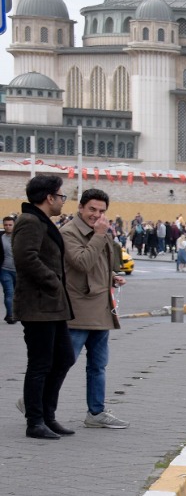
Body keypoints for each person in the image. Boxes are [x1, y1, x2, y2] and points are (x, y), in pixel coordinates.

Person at [12, 175, 77, 439]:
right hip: (38, 305)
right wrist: (52, 282)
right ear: (49, 197)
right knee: (40, 363)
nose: (63, 201)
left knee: (64, 357)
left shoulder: (41, 221)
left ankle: (48, 415)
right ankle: (35, 421)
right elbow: (25, 258)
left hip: (52, 305)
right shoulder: (29, 221)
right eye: (61, 196)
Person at [61, 188, 129, 430]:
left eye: (101, 211)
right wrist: (100, 234)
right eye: (92, 209)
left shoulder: (98, 232)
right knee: (63, 362)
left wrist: (111, 276)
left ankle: (96, 412)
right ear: (80, 208)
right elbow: (81, 263)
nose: (96, 215)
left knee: (98, 364)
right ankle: (34, 400)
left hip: (101, 308)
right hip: (79, 310)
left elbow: (98, 265)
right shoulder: (69, 232)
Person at [1, 214, 16, 324]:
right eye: (5, 225)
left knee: (19, 294)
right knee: (9, 292)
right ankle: (10, 315)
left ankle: (16, 313)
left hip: (20, 270)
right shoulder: (1, 238)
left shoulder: (21, 237)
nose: (8, 227)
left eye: (10, 225)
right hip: (4, 269)